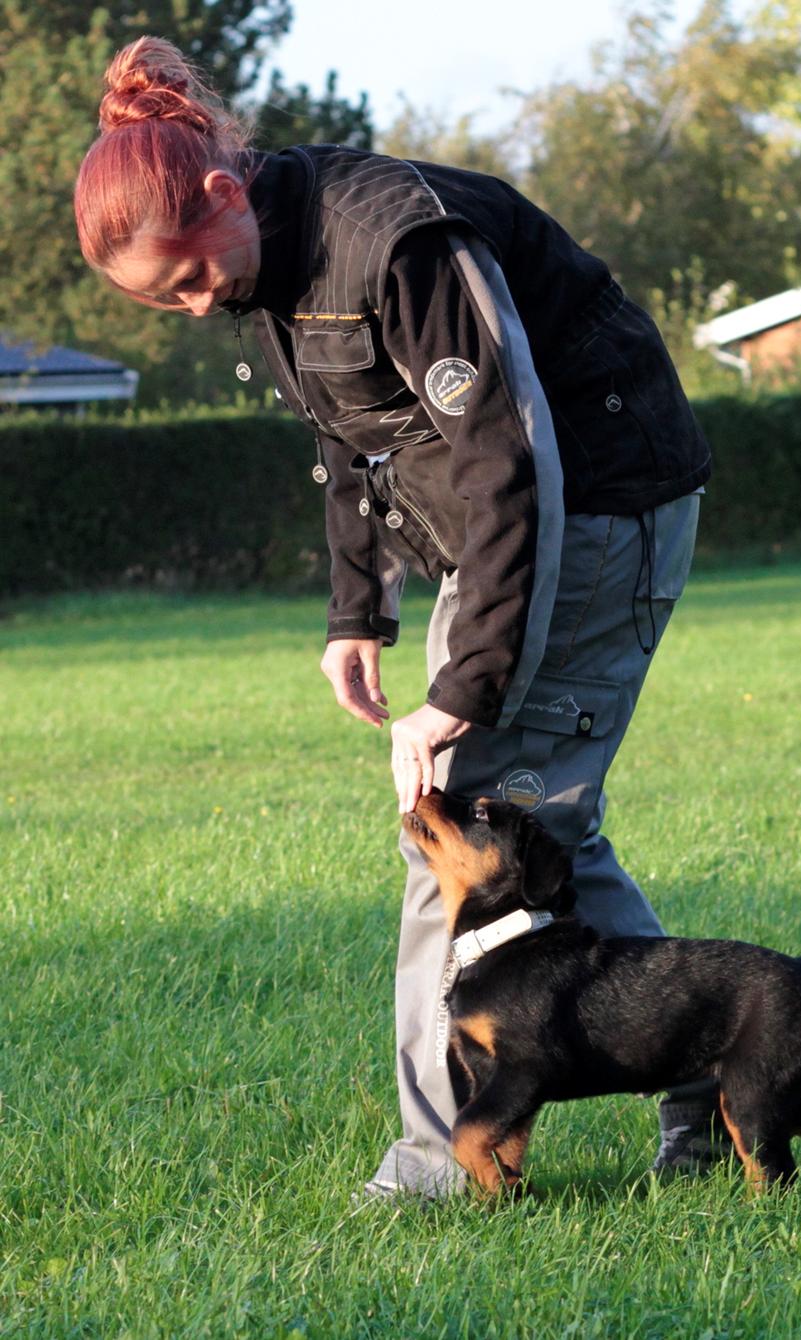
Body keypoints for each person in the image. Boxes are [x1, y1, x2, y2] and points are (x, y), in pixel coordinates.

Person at [76, 37, 719, 1198]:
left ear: (222, 192)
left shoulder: (399, 239)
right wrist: (354, 610)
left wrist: (461, 690)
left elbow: (515, 458)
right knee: (537, 829)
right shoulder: (264, 270)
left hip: (597, 507)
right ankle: (714, 1070)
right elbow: (350, 436)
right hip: (501, 537)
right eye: (167, 299)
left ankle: (438, 1162)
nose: (191, 303)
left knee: (458, 839)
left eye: (183, 278)